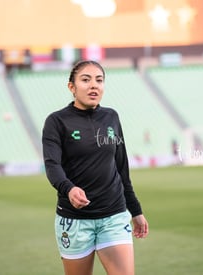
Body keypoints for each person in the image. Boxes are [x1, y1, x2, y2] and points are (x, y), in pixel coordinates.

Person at [42, 60, 149, 275]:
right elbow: (52, 165)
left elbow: (121, 168)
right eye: (85, 80)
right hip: (74, 220)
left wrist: (135, 210)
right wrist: (69, 188)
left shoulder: (112, 117)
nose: (94, 85)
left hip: (114, 216)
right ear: (71, 87)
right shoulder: (56, 122)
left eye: (99, 80)